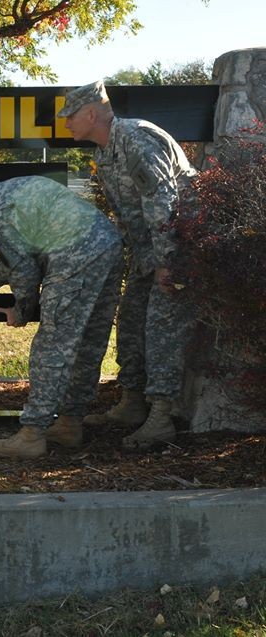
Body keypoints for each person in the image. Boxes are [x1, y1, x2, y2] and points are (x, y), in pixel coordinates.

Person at [0, 161, 123, 458]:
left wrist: (20, 311)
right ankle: (70, 424)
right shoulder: (16, 189)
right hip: (109, 247)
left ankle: (32, 434)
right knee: (88, 342)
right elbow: (13, 256)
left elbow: (23, 270)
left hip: (75, 261)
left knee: (51, 346)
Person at [59, 80, 196, 448]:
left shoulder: (137, 139)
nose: (66, 123)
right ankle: (133, 403)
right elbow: (128, 214)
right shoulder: (105, 153)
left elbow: (164, 204)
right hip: (147, 253)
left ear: (91, 113)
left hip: (177, 250)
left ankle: (161, 418)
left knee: (160, 329)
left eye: (70, 116)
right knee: (131, 320)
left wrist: (168, 262)